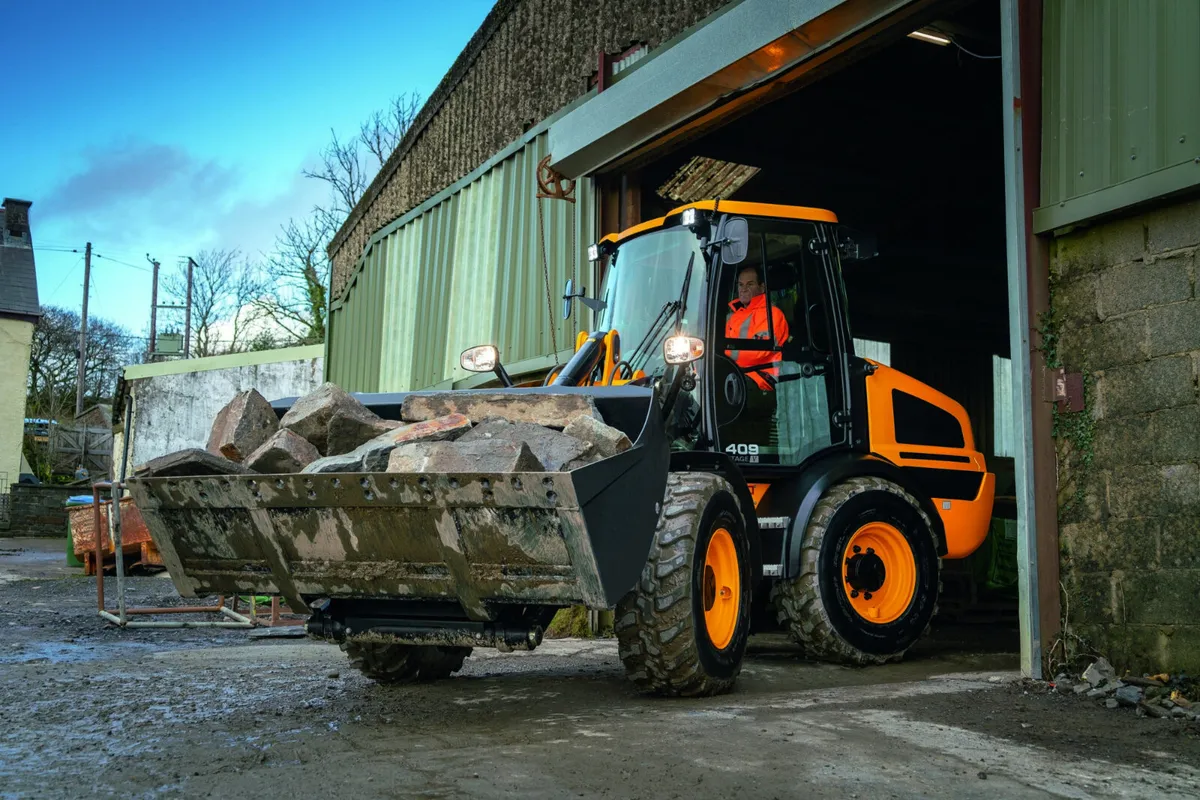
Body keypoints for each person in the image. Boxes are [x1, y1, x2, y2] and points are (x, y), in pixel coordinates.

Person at [725, 264, 789, 390]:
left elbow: (758, 352)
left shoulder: (773, 314)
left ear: (762, 287)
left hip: (763, 378)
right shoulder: (733, 317)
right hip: (738, 374)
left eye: (750, 284)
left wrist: (721, 358)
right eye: (740, 284)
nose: (743, 289)